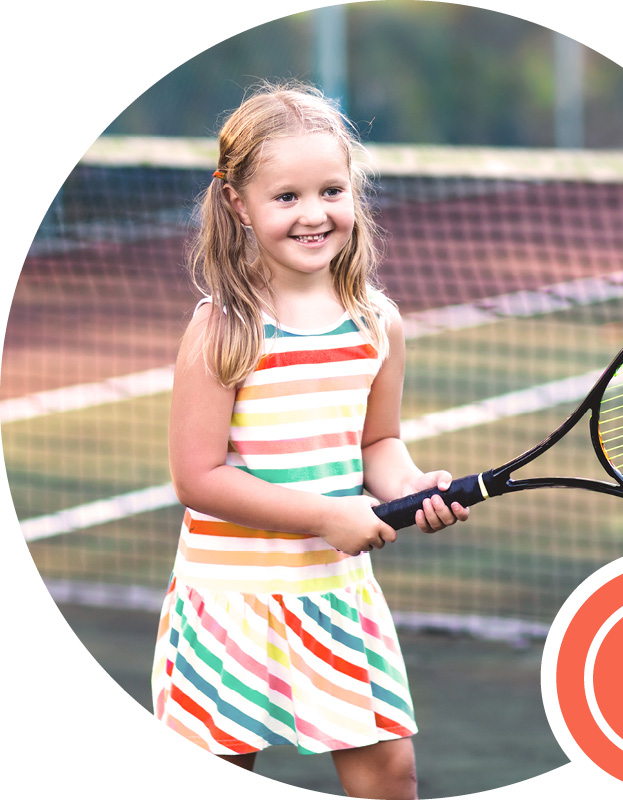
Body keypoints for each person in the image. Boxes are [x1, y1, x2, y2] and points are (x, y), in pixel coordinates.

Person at [151, 81, 469, 800]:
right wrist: (327, 516)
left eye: (331, 190)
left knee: (391, 774)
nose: (313, 214)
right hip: (230, 602)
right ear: (238, 204)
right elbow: (198, 479)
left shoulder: (375, 322)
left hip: (336, 596)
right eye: (286, 197)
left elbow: (378, 444)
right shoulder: (222, 328)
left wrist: (411, 487)